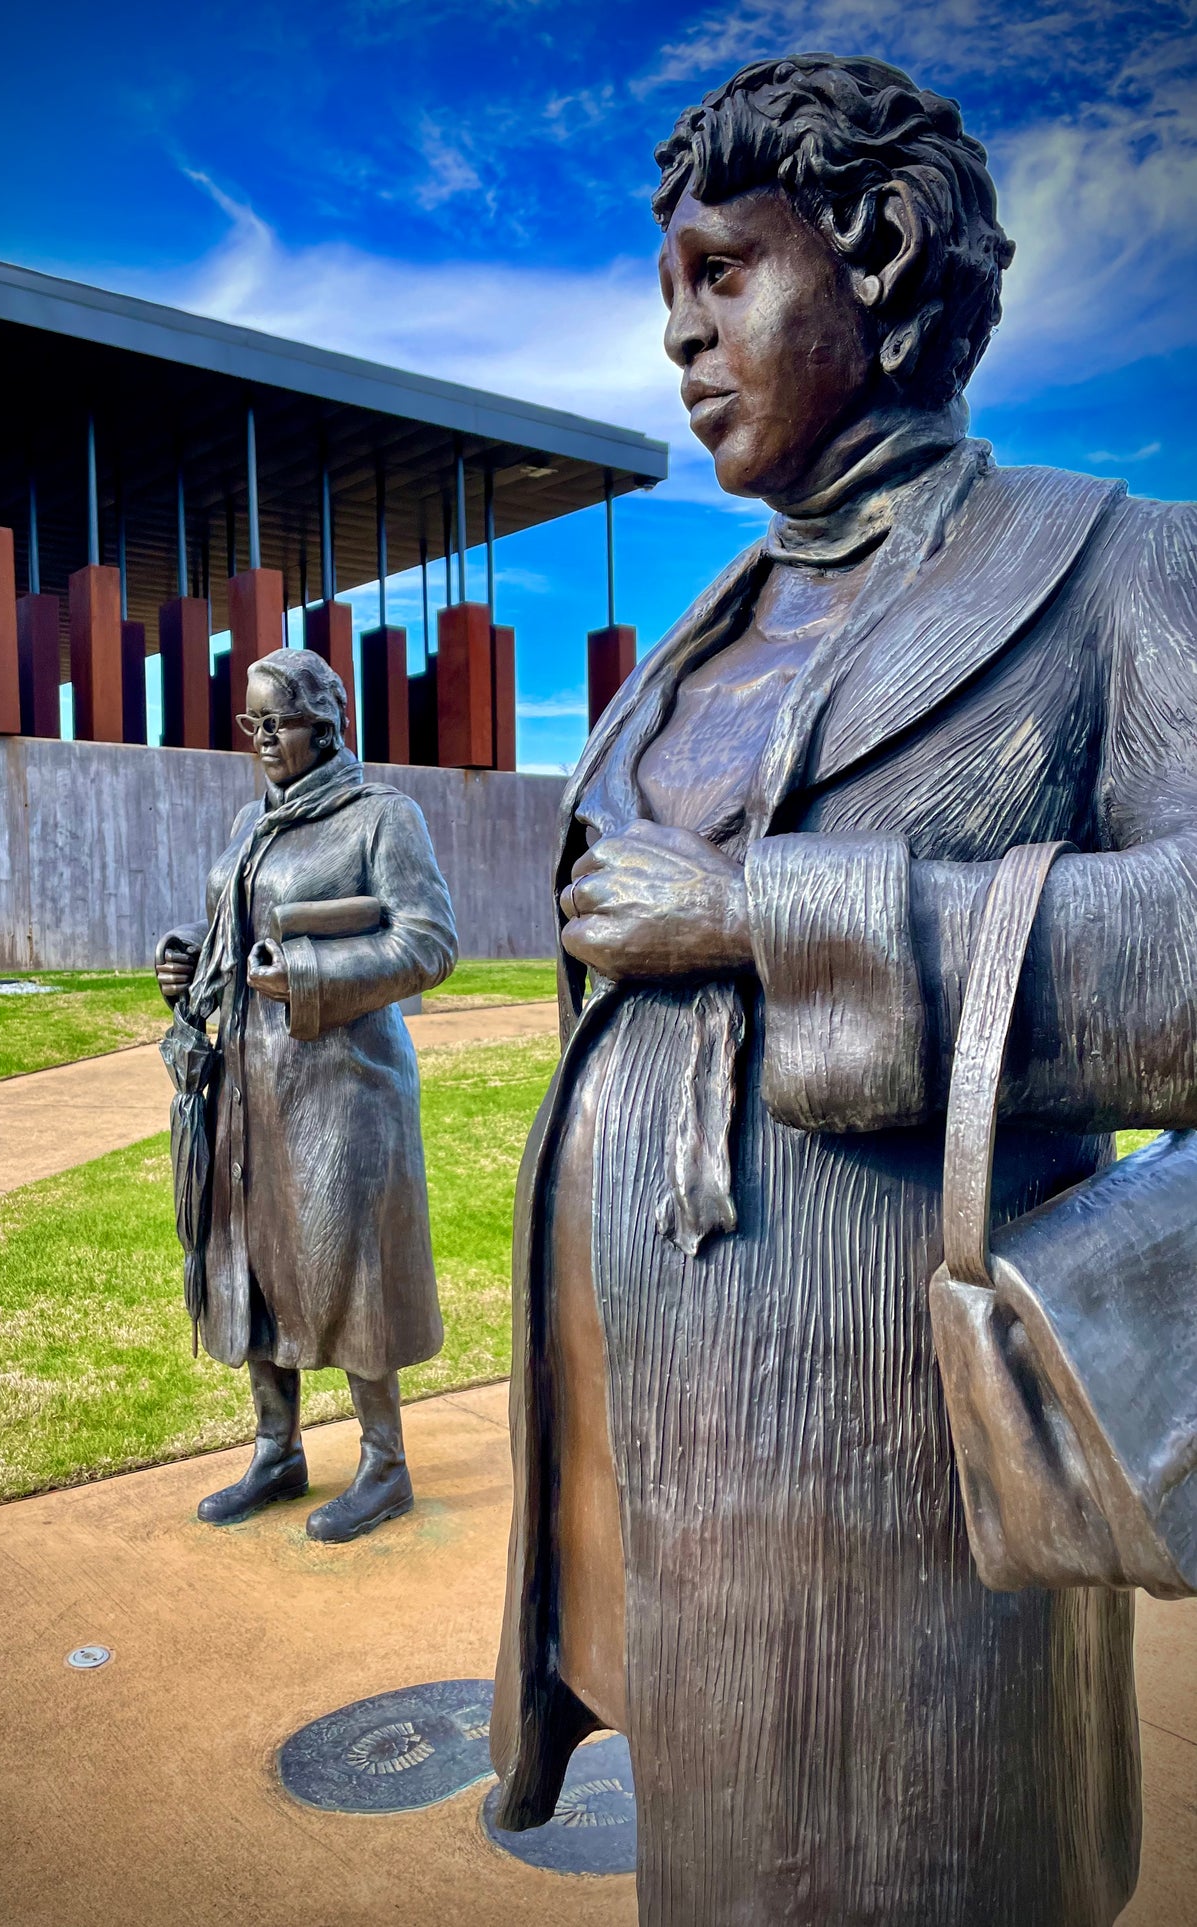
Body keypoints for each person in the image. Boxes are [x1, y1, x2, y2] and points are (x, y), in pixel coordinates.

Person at [491, 54, 1197, 1927]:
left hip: (906, 1530)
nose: (678, 337)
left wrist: (759, 912)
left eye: (720, 273)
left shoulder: (1119, 568)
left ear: (875, 250)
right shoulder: (689, 649)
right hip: (658, 1479)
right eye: (672, 292)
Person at [155, 649, 457, 1543]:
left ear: (324, 724)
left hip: (343, 1092)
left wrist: (314, 972)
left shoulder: (380, 818)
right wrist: (185, 959)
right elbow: (230, 936)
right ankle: (276, 1447)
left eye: (273, 723)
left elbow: (431, 942)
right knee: (249, 1258)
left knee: (351, 1263)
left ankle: (384, 1463)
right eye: (249, 724)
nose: (259, 742)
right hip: (248, 1086)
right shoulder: (255, 823)